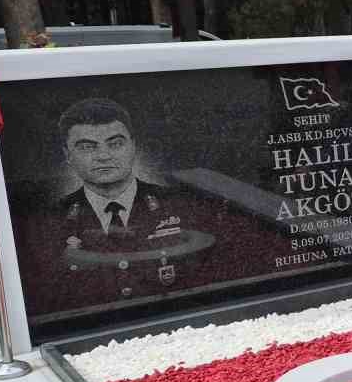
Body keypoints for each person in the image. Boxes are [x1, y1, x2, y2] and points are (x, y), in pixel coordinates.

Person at [26, 97, 214, 315]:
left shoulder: (181, 205)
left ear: (133, 146)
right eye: (87, 147)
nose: (103, 156)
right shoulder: (47, 222)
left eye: (115, 144)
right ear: (68, 155)